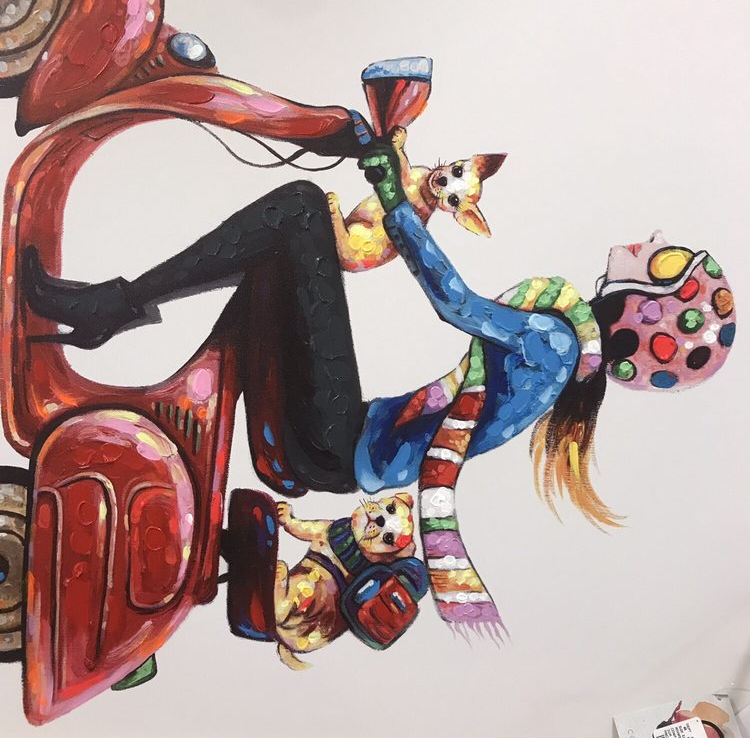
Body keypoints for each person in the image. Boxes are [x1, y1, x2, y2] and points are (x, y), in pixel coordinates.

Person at [23, 144, 736, 524]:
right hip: (341, 446)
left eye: (663, 263)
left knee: (302, 208)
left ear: (648, 314)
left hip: (340, 440)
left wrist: (397, 202)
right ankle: (118, 315)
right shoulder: (563, 353)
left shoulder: (555, 344)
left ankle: (117, 307)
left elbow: (456, 305)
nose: (647, 245)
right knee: (282, 255)